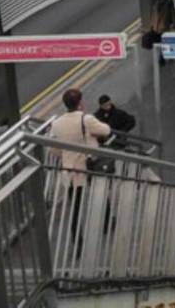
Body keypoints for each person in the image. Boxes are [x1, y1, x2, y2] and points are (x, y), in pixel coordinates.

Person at [48, 89, 111, 244]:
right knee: (100, 192)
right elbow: (106, 130)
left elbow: (52, 149)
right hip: (89, 164)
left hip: (70, 170)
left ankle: (77, 238)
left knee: (75, 205)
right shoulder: (86, 119)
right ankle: (107, 222)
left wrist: (65, 155)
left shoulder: (56, 124)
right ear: (80, 103)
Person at [151, 0, 175, 65]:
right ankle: (167, 56)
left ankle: (162, 58)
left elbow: (155, 15)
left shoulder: (160, 2)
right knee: (164, 42)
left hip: (161, 26)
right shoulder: (166, 1)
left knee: (163, 42)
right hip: (162, 26)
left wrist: (153, 25)